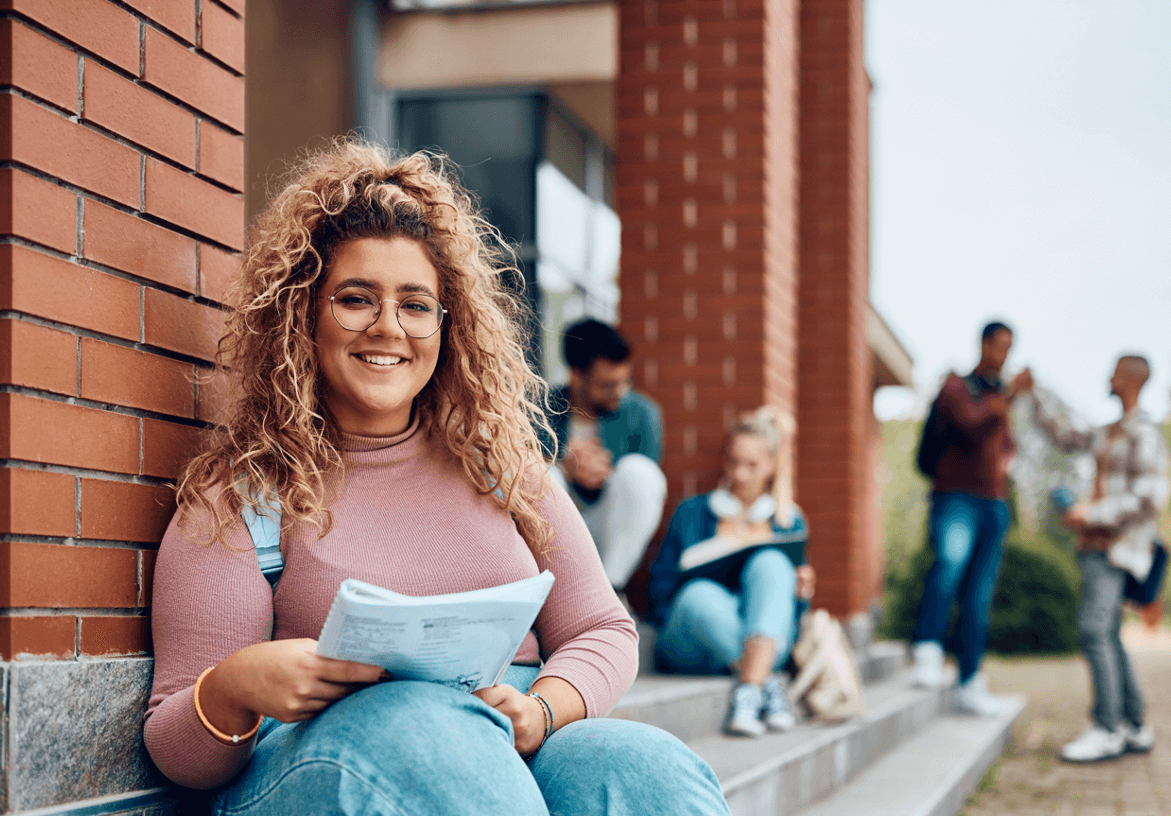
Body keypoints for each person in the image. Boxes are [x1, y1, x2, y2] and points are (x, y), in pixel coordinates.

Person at [141, 141, 730, 815]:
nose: (389, 327)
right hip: (324, 762)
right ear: (301, 314)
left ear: (448, 327)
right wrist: (236, 685)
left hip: (508, 744)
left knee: (642, 768)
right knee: (425, 733)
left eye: (416, 305)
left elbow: (603, 628)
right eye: (356, 299)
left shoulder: (503, 467)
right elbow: (175, 750)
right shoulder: (241, 496)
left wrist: (539, 710)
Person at [1012, 356, 1170, 762]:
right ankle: (1134, 725)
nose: (1108, 376)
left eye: (1116, 371)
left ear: (1132, 379)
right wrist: (1035, 393)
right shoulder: (1107, 433)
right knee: (1109, 634)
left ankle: (1106, 727)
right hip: (1094, 546)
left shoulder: (1145, 435)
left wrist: (1090, 514)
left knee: (1093, 629)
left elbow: (1150, 497)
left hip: (1117, 548)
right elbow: (1063, 435)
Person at [647, 407, 814, 737]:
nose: (740, 474)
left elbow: (787, 618)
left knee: (772, 562)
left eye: (752, 465)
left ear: (771, 466)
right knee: (698, 595)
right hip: (690, 639)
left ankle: (749, 690)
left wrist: (802, 596)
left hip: (760, 638)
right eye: (733, 462)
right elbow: (659, 592)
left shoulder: (788, 522)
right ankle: (765, 682)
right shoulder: (692, 513)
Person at [910, 321, 1017, 715]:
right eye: (999, 346)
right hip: (956, 498)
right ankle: (927, 650)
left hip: (995, 502)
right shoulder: (956, 386)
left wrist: (1006, 457)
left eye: (1009, 348)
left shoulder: (1000, 397)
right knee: (949, 566)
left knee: (980, 594)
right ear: (985, 344)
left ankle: (971, 678)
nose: (1003, 355)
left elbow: (1005, 443)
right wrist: (1001, 406)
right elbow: (971, 425)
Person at [543, 319, 667, 590]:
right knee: (542, 474)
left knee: (640, 472)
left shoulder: (641, 413)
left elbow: (642, 493)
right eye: (608, 385)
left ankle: (610, 589)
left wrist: (602, 473)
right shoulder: (538, 410)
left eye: (625, 381)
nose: (620, 392)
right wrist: (565, 467)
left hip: (609, 526)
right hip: (556, 533)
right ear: (576, 376)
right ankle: (553, 590)